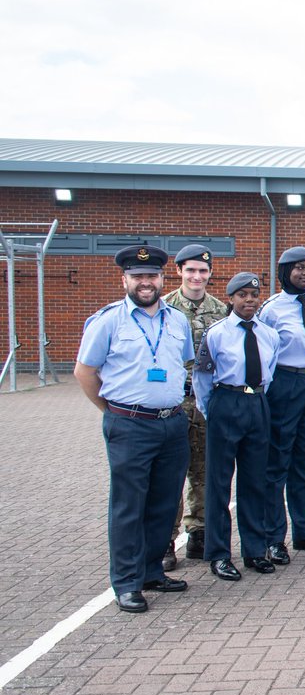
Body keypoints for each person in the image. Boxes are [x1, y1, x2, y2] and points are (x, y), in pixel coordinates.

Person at [74, 244, 193, 613]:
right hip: (130, 424)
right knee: (129, 506)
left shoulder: (177, 321)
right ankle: (126, 583)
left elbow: (182, 364)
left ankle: (151, 571)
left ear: (162, 279)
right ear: (124, 280)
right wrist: (113, 412)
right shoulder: (108, 321)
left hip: (172, 423)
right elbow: (84, 372)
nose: (146, 282)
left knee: (163, 502)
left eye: (152, 276)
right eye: (138, 276)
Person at [192, 272, 279, 581]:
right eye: (242, 295)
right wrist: (212, 411)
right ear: (231, 299)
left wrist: (255, 400)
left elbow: (269, 371)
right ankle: (219, 554)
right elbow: (202, 378)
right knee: (218, 483)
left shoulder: (269, 334)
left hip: (257, 403)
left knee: (255, 481)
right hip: (226, 403)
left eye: (254, 295)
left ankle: (254, 550)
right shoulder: (216, 333)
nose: (249, 300)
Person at [257, 246, 305, 564]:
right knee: (278, 462)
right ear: (284, 271)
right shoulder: (271, 309)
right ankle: (274, 537)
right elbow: (262, 352)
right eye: (299, 268)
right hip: (285, 383)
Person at [161, 244, 227, 570]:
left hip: (206, 403)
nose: (197, 276)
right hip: (175, 402)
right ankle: (165, 541)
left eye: (202, 271)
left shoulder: (221, 310)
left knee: (204, 471)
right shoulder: (164, 309)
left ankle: (199, 533)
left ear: (210, 273)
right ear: (179, 271)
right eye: (190, 270)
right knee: (170, 474)